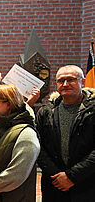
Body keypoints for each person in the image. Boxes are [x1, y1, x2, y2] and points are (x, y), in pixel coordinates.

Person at [36, 65, 95, 201]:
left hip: (87, 182)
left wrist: (71, 176)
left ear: (83, 82)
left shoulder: (92, 110)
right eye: (61, 81)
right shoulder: (46, 112)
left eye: (71, 80)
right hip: (54, 183)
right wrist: (57, 175)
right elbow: (38, 145)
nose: (65, 84)